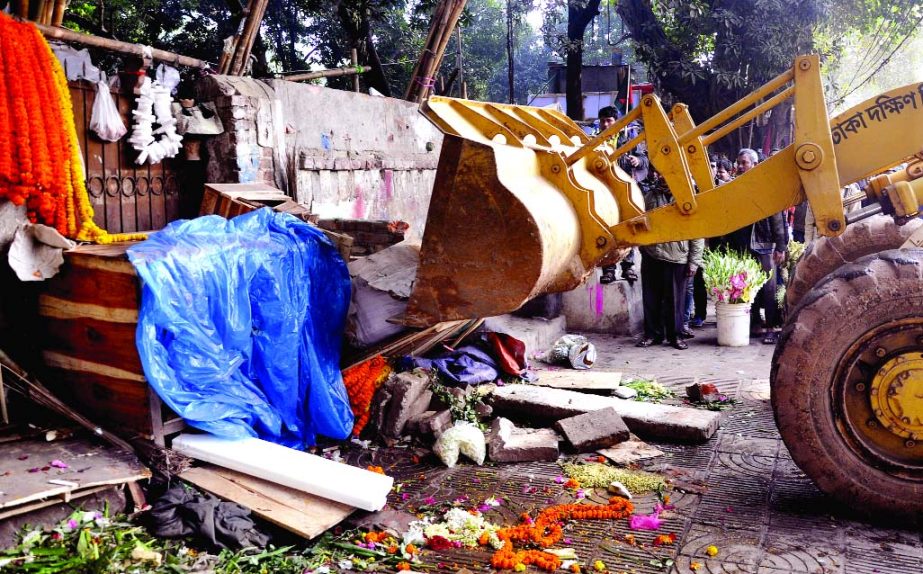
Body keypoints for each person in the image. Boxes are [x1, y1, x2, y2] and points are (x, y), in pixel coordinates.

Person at [636, 171, 704, 350]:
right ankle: (652, 334)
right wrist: (643, 247)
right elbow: (642, 222)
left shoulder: (688, 197)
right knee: (651, 298)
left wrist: (694, 261)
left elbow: (697, 230)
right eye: (662, 173)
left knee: (676, 301)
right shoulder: (650, 196)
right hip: (652, 254)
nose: (663, 176)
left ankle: (676, 336)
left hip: (678, 257)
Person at [598, 105, 645, 285]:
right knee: (606, 229)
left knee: (627, 228)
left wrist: (638, 160)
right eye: (603, 121)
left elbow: (644, 161)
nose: (605, 124)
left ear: (617, 121)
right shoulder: (594, 142)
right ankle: (608, 269)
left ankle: (628, 267)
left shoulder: (629, 142)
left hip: (625, 193)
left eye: (609, 120)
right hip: (603, 193)